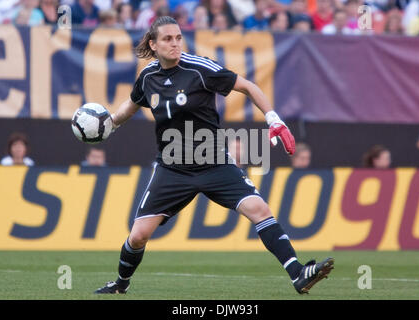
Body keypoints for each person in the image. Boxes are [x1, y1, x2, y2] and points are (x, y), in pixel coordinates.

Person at [94, 16, 334, 295]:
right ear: (153, 43)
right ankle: (120, 286)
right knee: (138, 235)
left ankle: (298, 274)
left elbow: (248, 86)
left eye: (178, 37)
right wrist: (108, 123)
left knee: (259, 210)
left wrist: (273, 119)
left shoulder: (200, 69)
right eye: (168, 39)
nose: (175, 44)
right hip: (172, 168)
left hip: (214, 162)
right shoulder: (148, 77)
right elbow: (130, 106)